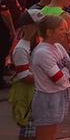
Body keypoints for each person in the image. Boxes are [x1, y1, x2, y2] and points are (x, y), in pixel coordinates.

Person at [31, 16, 70, 140]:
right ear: (49, 31)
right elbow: (58, 79)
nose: (66, 32)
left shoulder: (58, 47)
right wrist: (67, 71)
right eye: (61, 29)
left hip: (60, 94)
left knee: (52, 133)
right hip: (48, 98)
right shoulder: (42, 52)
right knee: (45, 135)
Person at [9, 10, 41, 140]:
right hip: (27, 96)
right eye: (38, 25)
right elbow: (24, 76)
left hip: (36, 94)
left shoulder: (37, 44)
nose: (41, 28)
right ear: (28, 27)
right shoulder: (22, 48)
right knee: (28, 131)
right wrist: (46, 78)